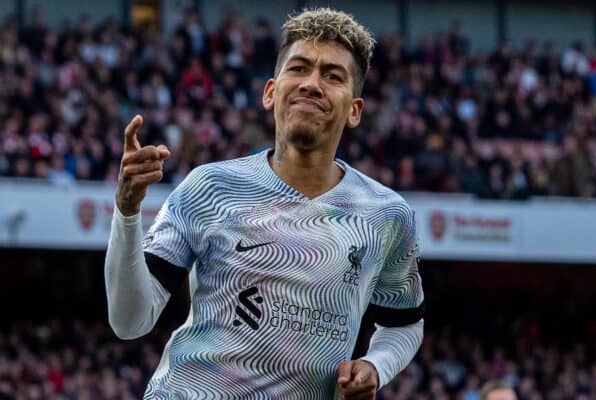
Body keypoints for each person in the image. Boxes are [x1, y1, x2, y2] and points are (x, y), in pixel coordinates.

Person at [105, 8, 424, 399]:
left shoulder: (385, 215)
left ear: (354, 110)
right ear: (271, 92)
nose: (312, 84)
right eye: (299, 68)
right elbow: (129, 320)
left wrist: (376, 364)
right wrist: (127, 210)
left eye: (332, 76)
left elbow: (404, 324)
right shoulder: (210, 187)